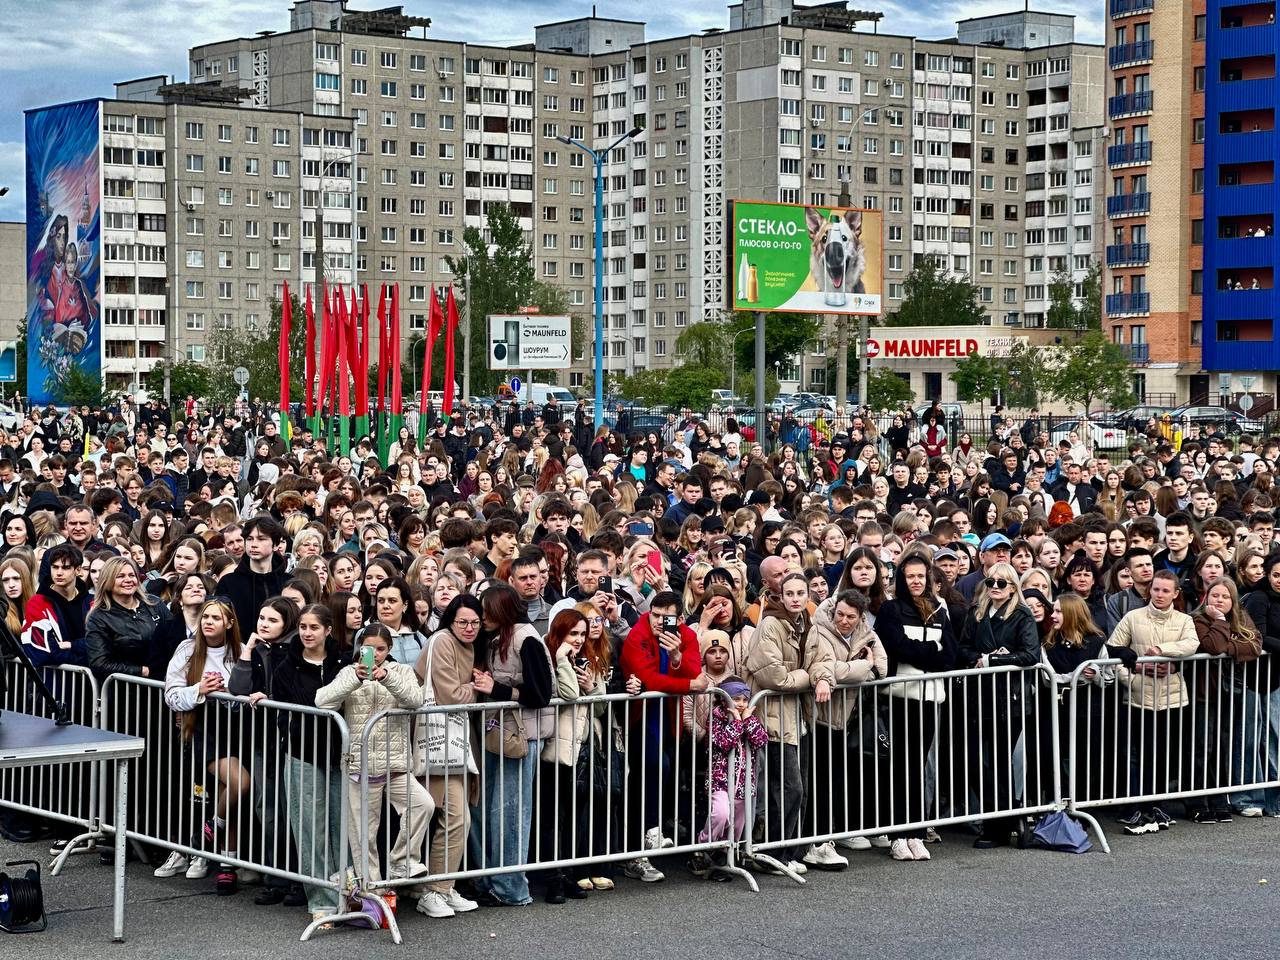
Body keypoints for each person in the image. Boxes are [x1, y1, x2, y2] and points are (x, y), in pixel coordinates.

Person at [315, 622, 434, 884]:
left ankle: (402, 862)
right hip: (360, 765)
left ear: (389, 649)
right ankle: (371, 892)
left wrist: (387, 677)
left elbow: (415, 701)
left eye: (380, 649)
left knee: (423, 804)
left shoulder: (401, 670)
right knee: (363, 836)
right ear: (360, 649)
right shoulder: (349, 672)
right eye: (369, 648)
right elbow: (321, 701)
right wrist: (355, 679)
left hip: (395, 764)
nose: (375, 654)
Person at [471, 582, 553, 907]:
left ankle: (511, 888)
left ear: (502, 610)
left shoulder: (527, 639)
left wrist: (496, 688)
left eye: (487, 611)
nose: (482, 617)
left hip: (521, 738)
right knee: (494, 812)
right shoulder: (498, 638)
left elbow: (540, 694)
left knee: (511, 814)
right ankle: (497, 882)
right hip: (500, 735)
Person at [873, 551, 958, 861]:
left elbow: (949, 654)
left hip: (930, 697)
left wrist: (924, 652)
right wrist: (929, 651)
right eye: (910, 576)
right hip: (899, 697)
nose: (916, 581)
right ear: (901, 579)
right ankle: (897, 833)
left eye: (921, 576)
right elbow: (898, 647)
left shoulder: (939, 609)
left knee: (918, 766)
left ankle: (916, 831)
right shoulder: (891, 610)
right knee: (900, 767)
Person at [164, 599, 250, 895]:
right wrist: (199, 689)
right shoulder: (187, 650)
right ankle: (213, 826)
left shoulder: (239, 653)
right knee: (239, 783)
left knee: (232, 794)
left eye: (216, 617)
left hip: (236, 728)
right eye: (205, 617)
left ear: (229, 623)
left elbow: (248, 696)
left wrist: (231, 694)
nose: (209, 621)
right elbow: (171, 695)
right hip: (204, 729)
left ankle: (228, 864)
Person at [1108, 570, 1201, 834]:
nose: (1159, 595)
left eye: (1165, 591)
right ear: (1150, 591)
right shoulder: (1132, 617)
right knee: (1137, 755)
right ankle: (1136, 805)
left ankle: (1157, 804)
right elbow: (1112, 651)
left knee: (1165, 754)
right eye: (1156, 589)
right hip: (1138, 698)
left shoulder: (1184, 620)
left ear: (1175, 593)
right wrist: (1135, 675)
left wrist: (1163, 654)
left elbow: (1191, 644)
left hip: (1172, 700)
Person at [958, 562, 1041, 848]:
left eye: (1001, 583)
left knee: (1001, 761)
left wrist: (995, 660)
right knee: (980, 761)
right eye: (990, 582)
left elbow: (1030, 654)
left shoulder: (1022, 615)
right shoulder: (976, 612)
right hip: (980, 696)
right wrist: (981, 657)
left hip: (1011, 700)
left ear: (1013, 588)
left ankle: (1000, 824)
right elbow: (964, 647)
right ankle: (1004, 817)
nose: (994, 587)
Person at [413, 594, 483, 919]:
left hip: (453, 744)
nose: (469, 628)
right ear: (450, 621)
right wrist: (479, 687)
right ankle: (434, 891)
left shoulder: (465, 645)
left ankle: (442, 887)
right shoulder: (442, 641)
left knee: (457, 818)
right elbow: (450, 695)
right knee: (455, 817)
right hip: (438, 740)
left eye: (475, 622)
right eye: (462, 622)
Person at [805, 588, 885, 862]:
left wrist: (856, 669)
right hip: (819, 716)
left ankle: (830, 837)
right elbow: (827, 669)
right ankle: (816, 841)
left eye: (851, 616)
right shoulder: (820, 628)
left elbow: (881, 669)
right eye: (840, 614)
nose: (844, 621)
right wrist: (862, 666)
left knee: (836, 780)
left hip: (847, 718)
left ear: (860, 617)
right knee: (817, 782)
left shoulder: (867, 633)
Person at [687, 676, 767, 878]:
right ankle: (703, 846)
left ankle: (723, 857)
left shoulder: (750, 718)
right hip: (720, 781)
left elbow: (760, 740)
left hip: (743, 783)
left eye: (744, 699)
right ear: (724, 700)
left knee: (737, 825)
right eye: (735, 699)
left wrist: (747, 720)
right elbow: (722, 743)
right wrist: (738, 723)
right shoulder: (715, 718)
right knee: (721, 814)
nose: (740, 704)